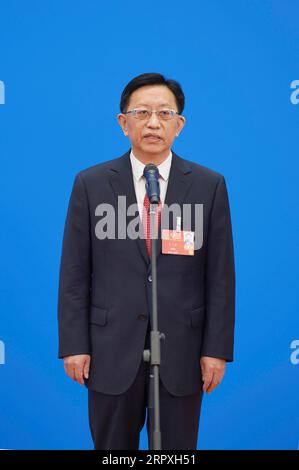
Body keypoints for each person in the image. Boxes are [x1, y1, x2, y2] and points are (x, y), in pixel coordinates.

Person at [57, 72, 235, 450]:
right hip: (110, 350)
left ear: (179, 125)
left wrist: (216, 349)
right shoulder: (90, 184)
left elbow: (220, 277)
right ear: (124, 123)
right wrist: (74, 344)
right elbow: (74, 273)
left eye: (164, 114)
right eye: (142, 113)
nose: (153, 123)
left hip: (182, 353)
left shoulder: (208, 185)